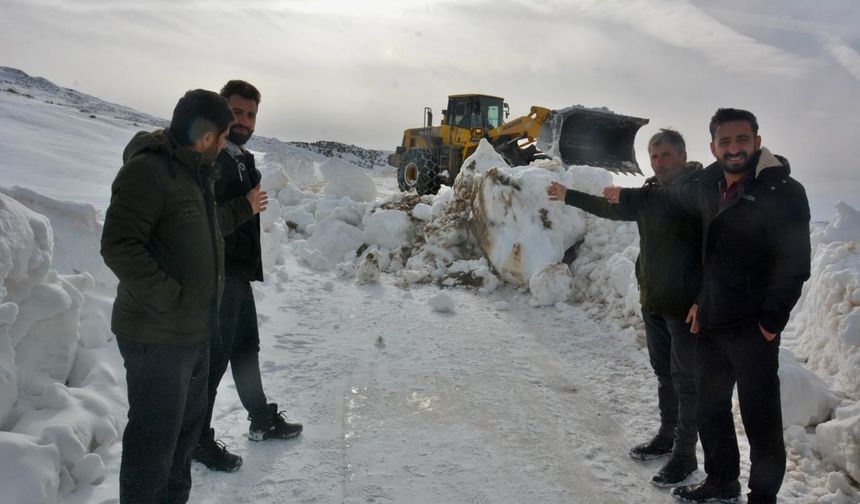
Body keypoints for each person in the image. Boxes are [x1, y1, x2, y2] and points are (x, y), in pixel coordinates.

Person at [609, 108, 811, 504]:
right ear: (713, 146)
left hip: (754, 328)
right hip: (711, 320)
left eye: (741, 140)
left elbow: (794, 264)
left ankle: (763, 497)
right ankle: (722, 481)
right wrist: (625, 195)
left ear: (756, 139)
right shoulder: (708, 185)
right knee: (710, 408)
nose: (733, 148)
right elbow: (665, 197)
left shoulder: (782, 191)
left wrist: (771, 321)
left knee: (759, 419)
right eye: (725, 141)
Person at [101, 89, 253, 503]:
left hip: (192, 333)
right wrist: (173, 299)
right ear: (206, 137)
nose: (224, 144)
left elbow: (202, 231)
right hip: (156, 334)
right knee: (153, 445)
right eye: (222, 136)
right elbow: (119, 245)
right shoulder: (148, 171)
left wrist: (243, 210)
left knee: (183, 440)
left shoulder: (195, 173)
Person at [547, 129, 703, 487]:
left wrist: (703, 297)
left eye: (666, 155)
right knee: (664, 374)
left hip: (684, 307)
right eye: (654, 156)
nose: (659, 162)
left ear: (682, 155)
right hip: (655, 302)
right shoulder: (650, 193)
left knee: (686, 381)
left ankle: (685, 454)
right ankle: (667, 435)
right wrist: (569, 195)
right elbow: (611, 207)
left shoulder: (695, 190)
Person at [192, 80, 303, 473]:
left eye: (251, 114)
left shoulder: (242, 159)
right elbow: (201, 223)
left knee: (245, 349)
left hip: (237, 275)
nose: (244, 121)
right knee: (213, 361)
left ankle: (260, 418)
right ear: (222, 111)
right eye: (237, 112)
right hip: (217, 277)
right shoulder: (210, 158)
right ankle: (197, 441)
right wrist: (245, 205)